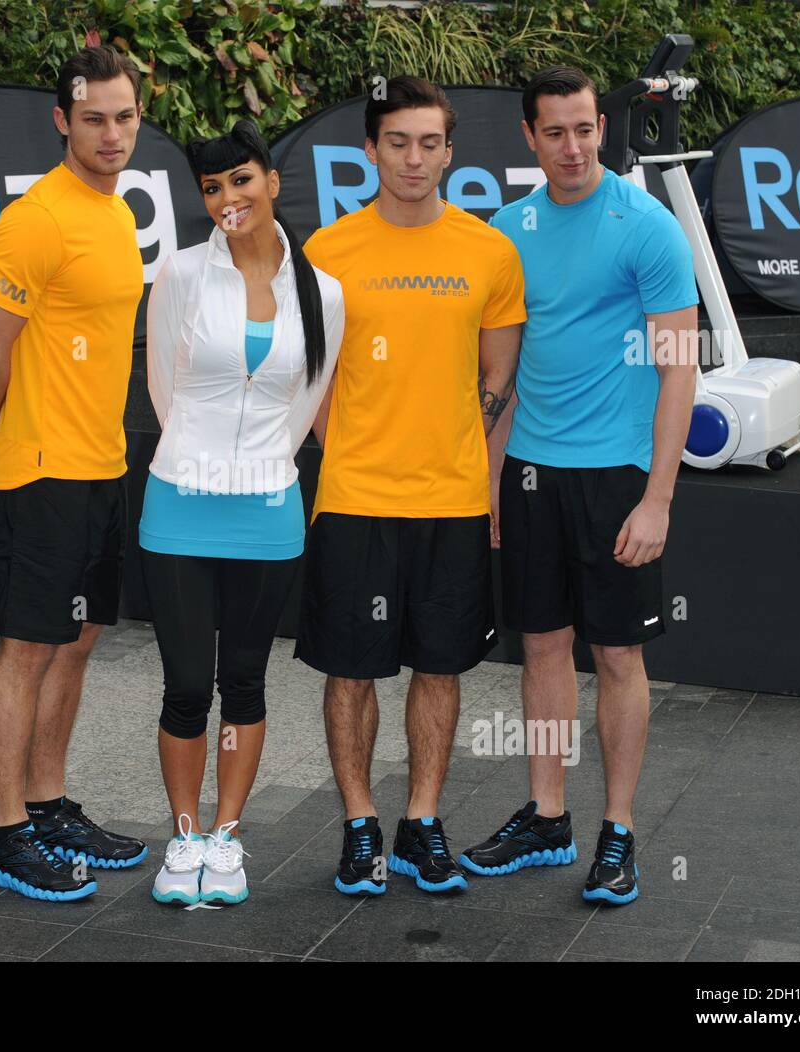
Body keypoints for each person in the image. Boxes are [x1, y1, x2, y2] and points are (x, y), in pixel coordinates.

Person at [462, 66, 698, 906]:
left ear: (604, 127)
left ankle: (620, 831)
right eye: (555, 132)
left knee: (620, 654)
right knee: (541, 647)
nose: (573, 147)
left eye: (586, 129)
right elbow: (503, 371)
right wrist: (490, 479)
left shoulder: (648, 230)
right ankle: (548, 815)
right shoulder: (506, 233)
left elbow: (679, 371)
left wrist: (658, 497)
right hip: (528, 471)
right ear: (529, 137)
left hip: (615, 479)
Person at [295, 77, 526, 896]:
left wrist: (483, 478)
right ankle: (360, 823)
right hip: (355, 500)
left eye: (430, 143)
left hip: (453, 502)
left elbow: (499, 376)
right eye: (399, 142)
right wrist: (347, 454)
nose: (415, 158)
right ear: (370, 151)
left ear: (450, 153)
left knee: (440, 669)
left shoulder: (489, 251)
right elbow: (309, 378)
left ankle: (420, 819)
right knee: (349, 671)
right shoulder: (328, 252)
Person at [0, 46, 149, 902]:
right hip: (36, 471)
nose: (112, 134)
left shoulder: (112, 211)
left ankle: (46, 800)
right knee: (27, 650)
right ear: (62, 121)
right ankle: (4, 833)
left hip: (100, 465)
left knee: (75, 643)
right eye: (95, 118)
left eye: (125, 117)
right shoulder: (36, 217)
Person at [143, 121, 344, 906]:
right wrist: (200, 461)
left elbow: (307, 402)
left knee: (246, 681)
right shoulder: (181, 275)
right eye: (214, 187)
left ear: (272, 182)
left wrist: (262, 467)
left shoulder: (322, 291)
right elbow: (164, 388)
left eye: (242, 180)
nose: (230, 198)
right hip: (180, 505)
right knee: (188, 683)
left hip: (268, 509)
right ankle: (183, 834)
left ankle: (225, 839)